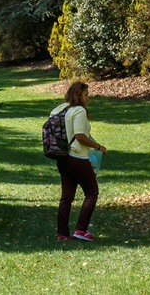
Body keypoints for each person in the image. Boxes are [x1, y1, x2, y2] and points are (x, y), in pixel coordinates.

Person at [48, 81, 106, 243]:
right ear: (78, 95)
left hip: (62, 157)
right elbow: (80, 136)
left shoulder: (60, 109)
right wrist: (98, 147)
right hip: (77, 158)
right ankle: (81, 229)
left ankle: (62, 234)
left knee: (66, 197)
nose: (88, 98)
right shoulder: (79, 111)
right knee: (92, 192)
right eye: (86, 95)